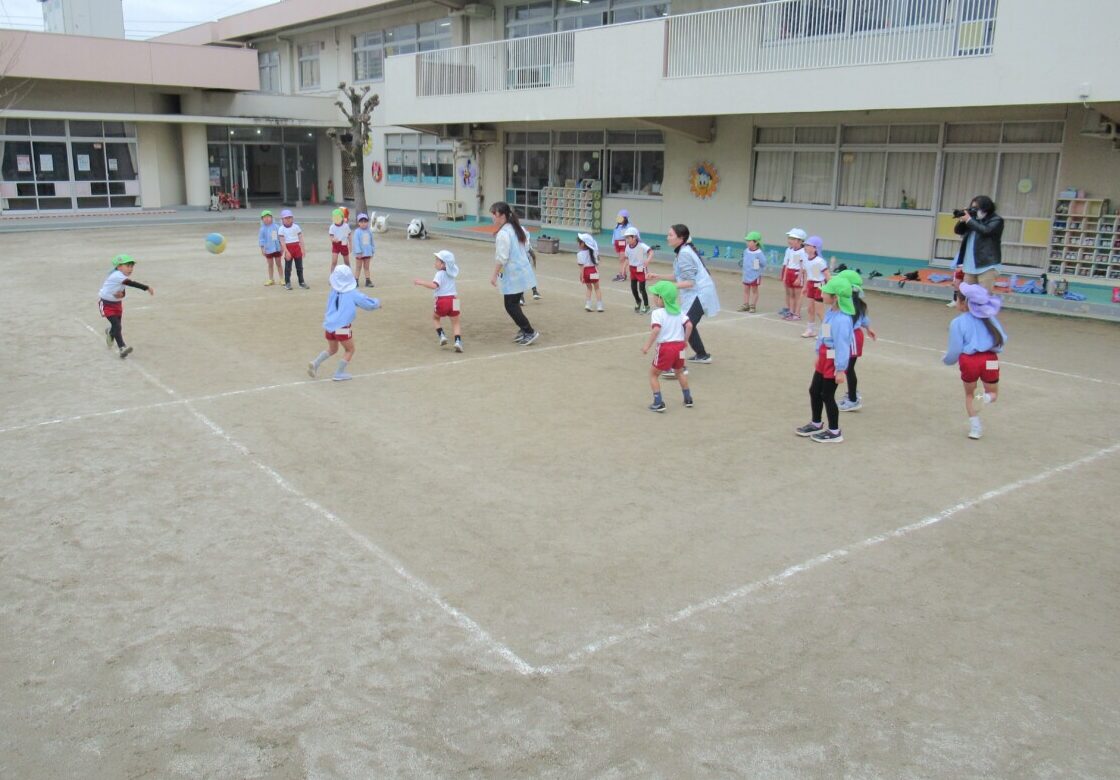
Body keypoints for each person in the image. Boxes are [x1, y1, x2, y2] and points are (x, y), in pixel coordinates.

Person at [794, 276, 855, 444]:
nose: (822, 294)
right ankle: (816, 423)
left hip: (834, 358)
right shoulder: (830, 313)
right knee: (814, 390)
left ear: (835, 297)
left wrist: (840, 369)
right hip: (824, 355)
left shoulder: (842, 320)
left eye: (826, 292)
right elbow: (824, 333)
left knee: (827, 395)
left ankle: (834, 431)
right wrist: (818, 354)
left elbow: (842, 346)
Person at [647, 223, 719, 365]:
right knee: (686, 324)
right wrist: (658, 276)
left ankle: (677, 364)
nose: (667, 237)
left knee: (683, 326)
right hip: (696, 293)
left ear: (681, 238)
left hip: (701, 293)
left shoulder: (685, 253)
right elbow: (678, 276)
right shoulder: (682, 252)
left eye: (670, 235)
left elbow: (690, 282)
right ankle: (702, 355)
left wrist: (666, 287)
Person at [943, 282, 1007, 440]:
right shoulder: (990, 318)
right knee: (993, 393)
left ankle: (975, 429)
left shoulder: (957, 322)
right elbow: (1002, 338)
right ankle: (984, 398)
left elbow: (954, 350)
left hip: (969, 361)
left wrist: (947, 360)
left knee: (969, 395)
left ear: (963, 303)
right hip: (990, 359)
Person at [307, 265, 381, 382]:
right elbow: (367, 303)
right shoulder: (353, 293)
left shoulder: (333, 291)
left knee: (332, 349)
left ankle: (315, 363)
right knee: (350, 349)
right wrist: (377, 303)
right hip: (342, 327)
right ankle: (339, 373)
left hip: (329, 325)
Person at [488, 201, 539, 345]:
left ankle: (529, 331)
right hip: (521, 270)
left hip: (514, 274)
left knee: (510, 305)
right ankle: (524, 329)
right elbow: (526, 247)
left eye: (494, 214)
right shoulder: (516, 228)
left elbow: (502, 257)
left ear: (501, 215)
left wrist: (494, 275)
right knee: (513, 303)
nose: (492, 217)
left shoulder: (504, 233)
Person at [641, 281, 694, 412]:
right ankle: (688, 398)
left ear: (661, 298)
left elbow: (656, 330)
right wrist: (685, 341)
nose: (653, 297)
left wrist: (647, 346)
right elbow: (689, 325)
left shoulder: (657, 313)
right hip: (680, 347)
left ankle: (658, 402)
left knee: (653, 374)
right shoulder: (679, 311)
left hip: (666, 347)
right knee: (680, 371)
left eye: (655, 295)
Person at [98, 254, 153, 359]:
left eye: (132, 266)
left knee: (117, 326)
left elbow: (123, 292)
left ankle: (110, 332)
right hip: (106, 304)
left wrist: (121, 295)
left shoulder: (122, 277)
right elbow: (131, 283)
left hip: (117, 304)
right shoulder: (117, 275)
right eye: (128, 266)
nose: (130, 269)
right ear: (119, 267)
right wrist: (146, 288)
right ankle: (122, 348)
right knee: (117, 326)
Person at [836, 269, 876, 412]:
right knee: (848, 368)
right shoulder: (853, 302)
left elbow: (861, 319)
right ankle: (852, 393)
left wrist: (868, 328)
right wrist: (869, 328)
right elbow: (865, 319)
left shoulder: (849, 304)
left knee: (848, 368)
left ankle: (853, 399)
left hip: (852, 337)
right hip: (852, 336)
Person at [413, 250, 463, 353]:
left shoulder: (439, 274)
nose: (435, 262)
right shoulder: (452, 274)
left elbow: (434, 286)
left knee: (435, 318)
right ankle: (458, 341)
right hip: (455, 299)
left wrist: (421, 282)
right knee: (456, 322)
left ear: (443, 264)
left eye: (437, 260)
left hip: (442, 301)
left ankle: (442, 336)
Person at [952, 195, 1003, 293]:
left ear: (986, 207)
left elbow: (986, 231)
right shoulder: (973, 219)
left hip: (987, 266)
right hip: (970, 266)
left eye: (976, 208)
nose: (974, 210)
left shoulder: (996, 220)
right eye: (972, 208)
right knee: (968, 296)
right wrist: (963, 219)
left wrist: (969, 220)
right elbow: (958, 231)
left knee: (983, 297)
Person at [800, 235, 830, 338]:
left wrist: (829, 289)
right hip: (811, 285)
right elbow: (808, 274)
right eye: (805, 245)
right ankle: (810, 330)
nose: (805, 247)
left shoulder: (820, 261)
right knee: (810, 309)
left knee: (819, 312)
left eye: (808, 245)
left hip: (820, 286)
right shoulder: (806, 259)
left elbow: (827, 275)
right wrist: (805, 287)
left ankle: (827, 334)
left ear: (815, 248)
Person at [780, 228, 808, 320]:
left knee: (797, 295)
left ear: (800, 241)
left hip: (796, 274)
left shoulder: (803, 251)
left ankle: (797, 313)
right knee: (791, 294)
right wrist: (785, 276)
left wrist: (799, 278)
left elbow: (802, 266)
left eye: (792, 239)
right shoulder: (790, 250)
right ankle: (791, 312)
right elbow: (788, 263)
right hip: (789, 273)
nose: (789, 240)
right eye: (789, 238)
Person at [278, 209, 309, 290]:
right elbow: (282, 242)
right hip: (288, 248)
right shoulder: (281, 229)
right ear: (282, 219)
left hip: (297, 248)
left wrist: (303, 249)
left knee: (300, 267)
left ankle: (301, 282)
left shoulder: (296, 227)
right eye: (286, 218)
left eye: (289, 217)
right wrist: (286, 251)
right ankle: (287, 282)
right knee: (288, 267)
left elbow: (301, 238)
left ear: (292, 218)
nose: (288, 219)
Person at [624, 225, 652, 313]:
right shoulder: (627, 247)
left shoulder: (641, 246)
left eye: (628, 237)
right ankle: (638, 301)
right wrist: (624, 269)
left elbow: (651, 251)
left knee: (642, 289)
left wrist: (648, 260)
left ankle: (646, 306)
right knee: (633, 288)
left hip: (640, 268)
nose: (627, 240)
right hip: (632, 269)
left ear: (635, 237)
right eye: (626, 238)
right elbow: (627, 259)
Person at [577, 232, 604, 312]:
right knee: (597, 288)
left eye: (579, 242)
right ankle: (599, 306)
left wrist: (581, 276)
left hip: (586, 272)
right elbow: (597, 262)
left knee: (589, 288)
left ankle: (588, 305)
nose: (578, 244)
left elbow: (581, 267)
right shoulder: (594, 252)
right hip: (593, 270)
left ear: (583, 244)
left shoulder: (579, 254)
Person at [739, 230, 765, 312]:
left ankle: (753, 306)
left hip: (755, 275)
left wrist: (756, 265)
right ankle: (745, 304)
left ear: (756, 242)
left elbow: (763, 262)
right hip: (746, 274)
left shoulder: (759, 253)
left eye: (749, 241)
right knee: (746, 289)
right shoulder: (746, 251)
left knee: (754, 290)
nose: (747, 242)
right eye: (747, 241)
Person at [257, 209, 283, 286]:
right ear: (262, 219)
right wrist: (262, 249)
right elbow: (261, 239)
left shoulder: (276, 227)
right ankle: (271, 279)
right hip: (268, 250)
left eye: (268, 217)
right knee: (270, 265)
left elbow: (278, 238)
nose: (267, 218)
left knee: (279, 264)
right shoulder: (262, 229)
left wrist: (281, 247)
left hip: (276, 249)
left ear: (272, 218)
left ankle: (282, 279)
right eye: (264, 217)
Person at [519, 226, 542, 305]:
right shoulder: (526, 242)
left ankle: (521, 298)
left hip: (520, 262)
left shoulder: (520, 243)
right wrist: (534, 261)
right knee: (528, 276)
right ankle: (535, 292)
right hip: (526, 261)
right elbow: (532, 253)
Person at [353, 213, 375, 288]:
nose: (363, 223)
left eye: (365, 221)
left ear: (367, 222)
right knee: (358, 267)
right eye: (361, 221)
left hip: (367, 253)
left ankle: (368, 281)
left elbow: (372, 241)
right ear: (358, 223)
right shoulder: (357, 232)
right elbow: (356, 242)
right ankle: (356, 281)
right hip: (359, 254)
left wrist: (372, 250)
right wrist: (358, 252)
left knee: (366, 267)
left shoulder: (369, 231)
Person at [612, 210, 635, 282]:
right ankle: (622, 273)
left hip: (623, 243)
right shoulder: (617, 226)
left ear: (625, 218)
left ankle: (622, 274)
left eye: (621, 217)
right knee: (621, 260)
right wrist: (613, 243)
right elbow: (614, 235)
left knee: (622, 259)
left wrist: (629, 244)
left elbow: (627, 236)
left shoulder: (628, 226)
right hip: (617, 243)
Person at [328, 208, 352, 272]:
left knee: (347, 262)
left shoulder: (346, 226)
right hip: (336, 245)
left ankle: (349, 274)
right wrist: (333, 239)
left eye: (338, 218)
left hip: (344, 244)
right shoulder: (332, 227)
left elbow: (349, 235)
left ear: (342, 217)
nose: (337, 220)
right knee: (334, 262)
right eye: (335, 218)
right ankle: (332, 275)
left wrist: (350, 245)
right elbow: (331, 236)